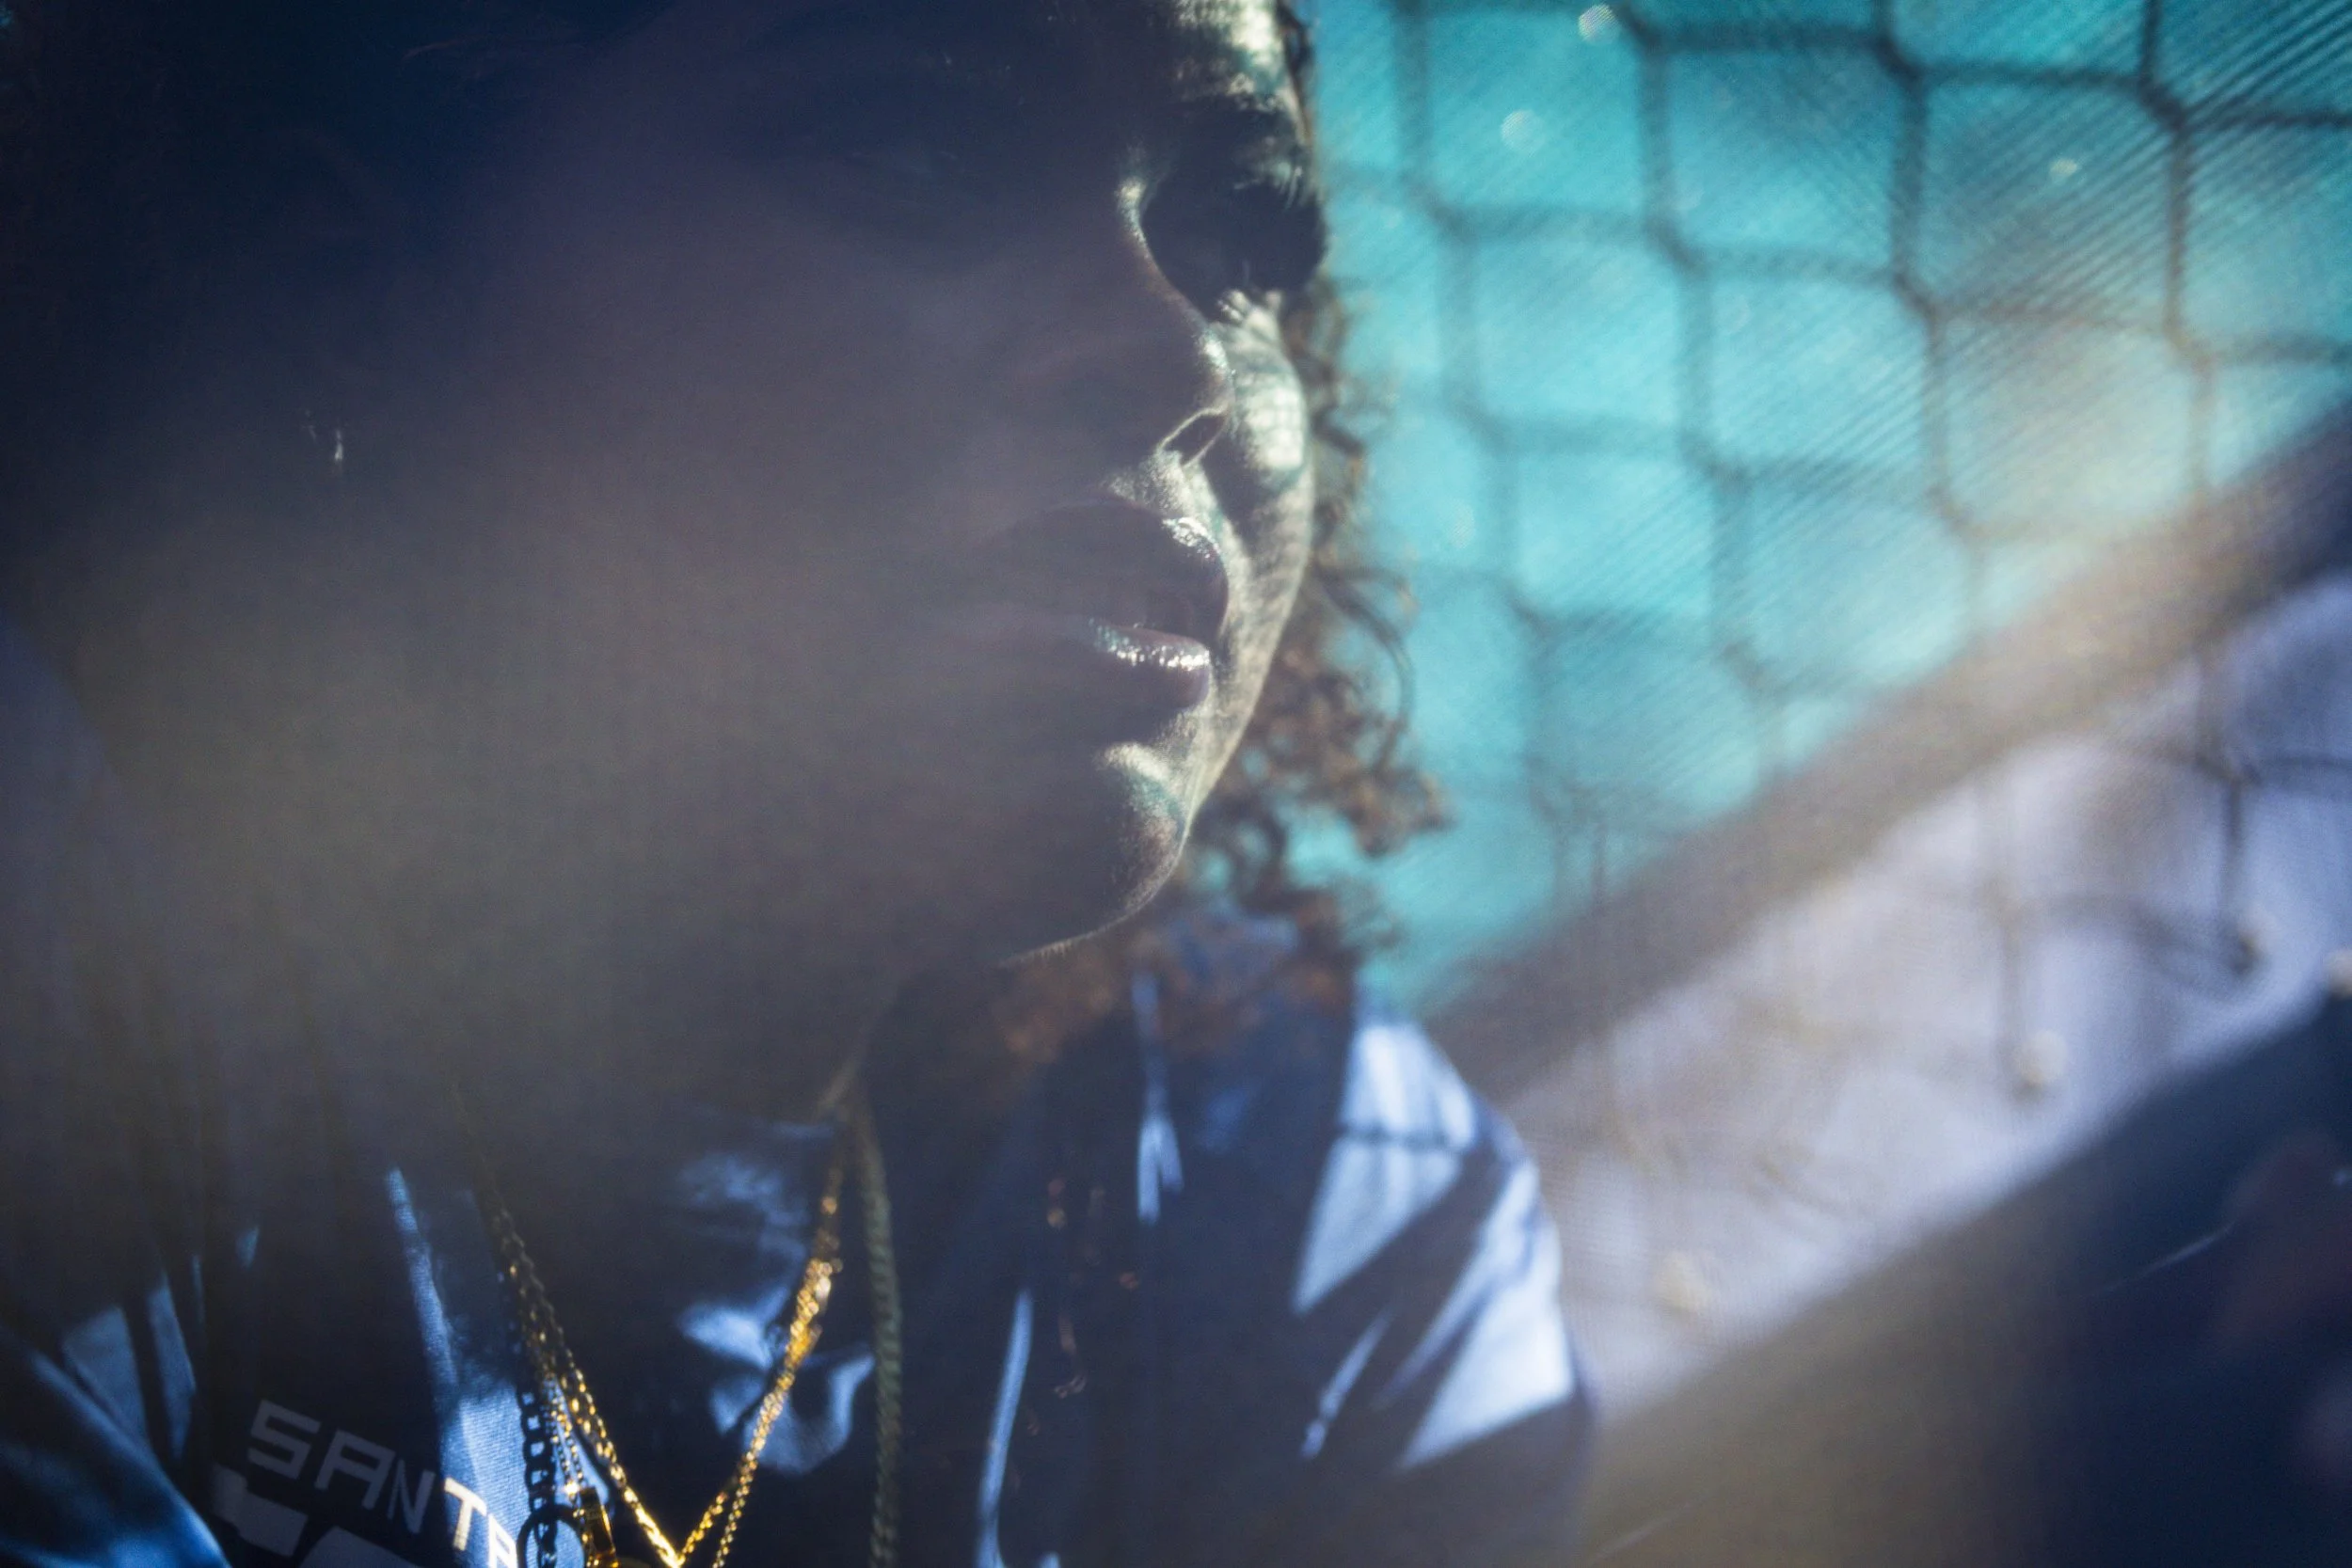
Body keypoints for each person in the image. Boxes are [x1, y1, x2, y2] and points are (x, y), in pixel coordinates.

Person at [0, 2, 1591, 1566]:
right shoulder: (59, 943)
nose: (1174, 351)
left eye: (1244, 246)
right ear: (346, 283)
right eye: (917, 147)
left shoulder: (1299, 1194)